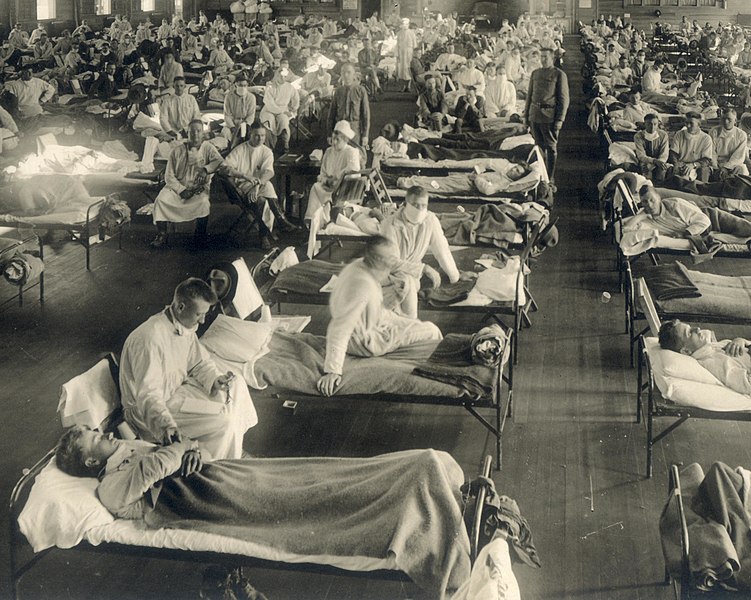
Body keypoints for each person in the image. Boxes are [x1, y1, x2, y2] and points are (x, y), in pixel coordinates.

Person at [119, 278, 257, 460]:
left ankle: (232, 446)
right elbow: (148, 396)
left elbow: (199, 363)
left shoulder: (183, 324)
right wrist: (165, 425)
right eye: (199, 314)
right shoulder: (149, 339)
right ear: (181, 307)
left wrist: (215, 379)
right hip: (149, 412)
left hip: (175, 393)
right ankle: (220, 467)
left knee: (236, 382)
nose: (202, 320)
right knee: (224, 421)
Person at [317, 235, 443, 396]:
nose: (392, 265)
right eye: (389, 261)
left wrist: (423, 268)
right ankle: (434, 375)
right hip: (365, 342)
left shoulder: (360, 265)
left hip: (374, 323)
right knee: (432, 330)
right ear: (378, 261)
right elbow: (339, 328)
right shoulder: (362, 285)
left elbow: (394, 263)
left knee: (415, 323)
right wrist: (333, 370)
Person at [381, 186, 471, 318]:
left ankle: (406, 325)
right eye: (415, 205)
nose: (420, 209)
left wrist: (455, 277)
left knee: (409, 282)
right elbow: (390, 262)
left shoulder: (430, 220)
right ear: (406, 203)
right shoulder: (389, 225)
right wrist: (424, 268)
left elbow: (442, 249)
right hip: (388, 274)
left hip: (412, 274)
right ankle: (409, 323)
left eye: (424, 205)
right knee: (406, 283)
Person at [220, 122, 297, 249]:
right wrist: (244, 176)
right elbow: (223, 168)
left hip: (259, 185)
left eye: (263, 136)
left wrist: (256, 186)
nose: (260, 139)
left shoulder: (266, 151)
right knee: (262, 201)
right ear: (250, 133)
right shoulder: (240, 149)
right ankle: (268, 232)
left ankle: (276, 225)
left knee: (267, 187)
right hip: (243, 186)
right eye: (257, 135)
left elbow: (269, 172)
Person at [151, 119, 224, 248]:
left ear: (203, 133)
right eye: (192, 132)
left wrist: (205, 170)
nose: (195, 135)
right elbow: (169, 176)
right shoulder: (177, 151)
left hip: (198, 187)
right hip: (176, 187)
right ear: (187, 133)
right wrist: (180, 190)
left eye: (198, 131)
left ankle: (200, 235)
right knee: (161, 200)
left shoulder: (208, 148)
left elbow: (219, 161)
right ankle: (162, 233)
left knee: (203, 203)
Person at [658, 320, 751, 395]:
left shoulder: (713, 346)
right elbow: (747, 384)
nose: (697, 329)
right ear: (686, 351)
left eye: (691, 327)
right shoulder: (713, 362)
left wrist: (740, 340)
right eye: (690, 333)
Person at [624, 186, 751, 239]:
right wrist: (641, 215)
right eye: (645, 202)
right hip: (703, 231)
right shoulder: (646, 216)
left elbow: (704, 221)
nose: (650, 205)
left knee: (745, 228)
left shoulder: (675, 205)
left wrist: (685, 234)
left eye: (652, 200)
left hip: (713, 218)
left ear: (659, 198)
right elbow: (626, 228)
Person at [524, 46, 569, 182]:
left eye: (546, 57)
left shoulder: (559, 74)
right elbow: (529, 96)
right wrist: (526, 116)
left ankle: (550, 177)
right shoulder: (535, 73)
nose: (543, 59)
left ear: (552, 58)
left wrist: (560, 119)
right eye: (541, 56)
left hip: (549, 116)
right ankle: (541, 176)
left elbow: (564, 99)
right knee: (538, 147)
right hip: (534, 115)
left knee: (550, 147)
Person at [305, 119, 361, 221]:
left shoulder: (351, 152)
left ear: (345, 139)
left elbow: (354, 171)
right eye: (333, 139)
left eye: (337, 139)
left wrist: (337, 177)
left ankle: (326, 219)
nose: (334, 142)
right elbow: (323, 172)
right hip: (328, 186)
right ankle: (313, 220)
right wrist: (325, 180)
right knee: (316, 187)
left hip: (343, 189)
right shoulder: (328, 151)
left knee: (328, 195)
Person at [327, 62, 370, 150]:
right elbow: (331, 115)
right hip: (340, 128)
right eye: (343, 72)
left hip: (354, 128)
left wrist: (365, 135)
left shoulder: (361, 90)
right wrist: (329, 134)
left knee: (357, 156)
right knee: (339, 155)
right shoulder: (338, 91)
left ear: (354, 74)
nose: (346, 75)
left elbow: (366, 115)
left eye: (349, 72)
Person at [259, 68, 299, 153]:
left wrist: (293, 108)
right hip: (269, 110)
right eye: (280, 76)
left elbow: (296, 98)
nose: (282, 78)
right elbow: (269, 103)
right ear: (276, 76)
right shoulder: (270, 86)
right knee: (268, 121)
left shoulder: (289, 87)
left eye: (284, 76)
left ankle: (285, 145)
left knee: (283, 121)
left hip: (283, 110)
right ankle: (269, 146)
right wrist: (281, 111)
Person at [669, 111, 715, 183]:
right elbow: (673, 153)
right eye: (686, 123)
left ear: (698, 124)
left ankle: (700, 190)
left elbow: (707, 160)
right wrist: (676, 163)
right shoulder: (679, 134)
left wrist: (693, 165)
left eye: (691, 123)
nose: (688, 126)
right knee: (676, 178)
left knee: (703, 172)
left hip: (698, 166)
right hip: (682, 164)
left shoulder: (706, 138)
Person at [709, 108, 748, 176]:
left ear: (735, 121)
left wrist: (726, 167)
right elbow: (712, 152)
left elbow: (738, 156)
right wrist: (715, 167)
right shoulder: (714, 131)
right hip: (716, 163)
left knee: (742, 171)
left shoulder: (741, 135)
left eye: (729, 119)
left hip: (733, 164)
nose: (726, 121)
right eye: (723, 119)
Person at [634, 113, 670, 183]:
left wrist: (658, 162)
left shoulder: (663, 135)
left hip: (660, 161)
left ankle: (659, 188)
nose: (652, 127)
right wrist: (653, 161)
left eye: (655, 124)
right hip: (645, 161)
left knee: (661, 170)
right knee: (646, 174)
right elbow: (641, 155)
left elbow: (664, 154)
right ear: (644, 124)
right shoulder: (638, 136)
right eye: (649, 124)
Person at [222, 72, 257, 143]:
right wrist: (232, 127)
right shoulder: (229, 97)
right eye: (240, 85)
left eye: (245, 85)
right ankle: (227, 151)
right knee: (225, 133)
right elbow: (227, 115)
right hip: (232, 123)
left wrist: (245, 126)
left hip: (244, 123)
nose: (243, 88)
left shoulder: (251, 97)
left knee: (243, 137)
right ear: (236, 84)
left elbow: (251, 115)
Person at [396, 18, 417, 92]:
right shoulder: (399, 33)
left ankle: (408, 86)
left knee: (408, 69)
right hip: (401, 52)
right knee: (401, 70)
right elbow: (397, 45)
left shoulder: (412, 33)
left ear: (408, 25)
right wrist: (397, 54)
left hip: (409, 52)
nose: (404, 25)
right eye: (403, 24)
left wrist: (413, 54)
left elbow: (414, 45)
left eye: (406, 24)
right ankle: (402, 87)